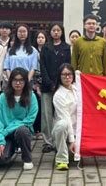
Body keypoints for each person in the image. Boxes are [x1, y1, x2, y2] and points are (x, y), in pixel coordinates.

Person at [0, 68, 38, 170]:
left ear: (26, 82)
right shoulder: (3, 97)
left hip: (21, 132)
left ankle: (27, 159)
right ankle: (11, 147)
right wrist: (0, 140)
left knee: (22, 130)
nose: (18, 83)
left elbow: (29, 120)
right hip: (5, 135)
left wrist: (7, 130)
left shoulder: (31, 96)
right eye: (15, 80)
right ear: (10, 81)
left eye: (21, 80)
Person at [40, 23, 71, 153]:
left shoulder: (66, 48)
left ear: (62, 32)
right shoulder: (46, 48)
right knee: (46, 115)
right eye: (54, 30)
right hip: (47, 86)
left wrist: (61, 83)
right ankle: (48, 142)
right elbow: (43, 67)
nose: (56, 32)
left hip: (62, 86)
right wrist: (49, 83)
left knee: (62, 112)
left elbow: (68, 67)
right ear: (50, 32)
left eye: (58, 30)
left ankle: (61, 138)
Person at [51, 64, 77, 171]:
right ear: (59, 76)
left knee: (77, 157)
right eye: (64, 75)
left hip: (77, 131)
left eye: (69, 74)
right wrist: (72, 141)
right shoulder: (58, 95)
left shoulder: (77, 89)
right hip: (63, 133)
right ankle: (61, 159)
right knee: (63, 124)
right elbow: (66, 118)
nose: (67, 77)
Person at [32, 30, 48, 140]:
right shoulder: (32, 51)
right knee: (35, 107)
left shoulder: (48, 50)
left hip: (46, 83)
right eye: (38, 37)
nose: (40, 39)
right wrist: (36, 85)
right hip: (34, 83)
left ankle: (44, 130)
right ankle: (35, 130)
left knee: (45, 108)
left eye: (42, 37)